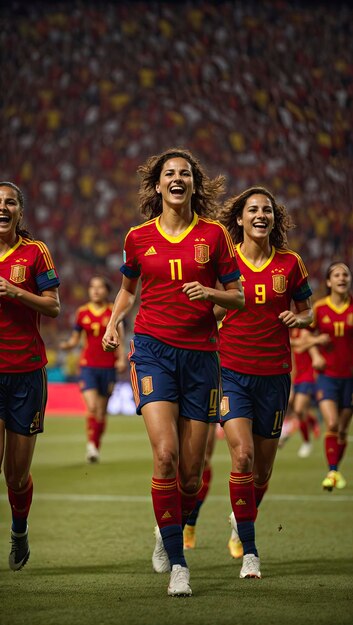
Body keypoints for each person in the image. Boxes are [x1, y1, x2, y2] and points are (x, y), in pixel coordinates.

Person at [102, 148, 244, 597]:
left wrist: (211, 293)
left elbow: (238, 297)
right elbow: (128, 291)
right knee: (164, 455)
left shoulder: (215, 236)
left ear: (193, 185)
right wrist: (113, 322)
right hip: (152, 352)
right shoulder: (138, 237)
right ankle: (178, 562)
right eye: (170, 173)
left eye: (185, 173)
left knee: (189, 473)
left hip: (202, 356)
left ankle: (164, 526)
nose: (177, 178)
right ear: (158, 185)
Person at [215, 185, 313, 578]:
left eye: (267, 210)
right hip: (231, 373)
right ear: (239, 219)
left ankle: (242, 517)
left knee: (262, 473)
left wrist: (298, 319)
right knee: (242, 457)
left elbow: (307, 312)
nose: (260, 215)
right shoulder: (226, 261)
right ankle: (251, 552)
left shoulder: (290, 263)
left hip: (274, 376)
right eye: (252, 210)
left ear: (274, 219)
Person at [0, 181, 60, 571]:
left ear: (20, 211)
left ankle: (19, 530)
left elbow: (53, 307)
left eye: (9, 202)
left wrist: (14, 292)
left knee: (16, 477)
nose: (2, 208)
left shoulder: (35, 253)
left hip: (26, 374)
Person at [59, 276, 126, 463]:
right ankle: (91, 446)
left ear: (106, 290)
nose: (95, 290)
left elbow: (118, 338)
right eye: (92, 287)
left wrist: (120, 359)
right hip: (88, 365)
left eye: (99, 287)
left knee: (101, 412)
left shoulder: (113, 311)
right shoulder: (81, 312)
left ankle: (95, 444)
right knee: (92, 407)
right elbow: (75, 339)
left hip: (108, 367)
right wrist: (67, 345)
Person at [310, 262, 353, 491]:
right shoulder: (319, 308)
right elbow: (306, 337)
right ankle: (332, 471)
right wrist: (316, 351)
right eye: (336, 275)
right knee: (333, 422)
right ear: (328, 282)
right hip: (327, 376)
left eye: (345, 274)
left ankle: (335, 470)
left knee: (343, 429)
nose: (342, 278)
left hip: (350, 378)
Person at [279, 328, 325, 457]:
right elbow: (296, 347)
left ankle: (306, 443)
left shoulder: (305, 330)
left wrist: (314, 341)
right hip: (297, 377)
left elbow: (299, 347)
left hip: (308, 377)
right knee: (294, 407)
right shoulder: (290, 331)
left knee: (299, 410)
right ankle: (312, 420)